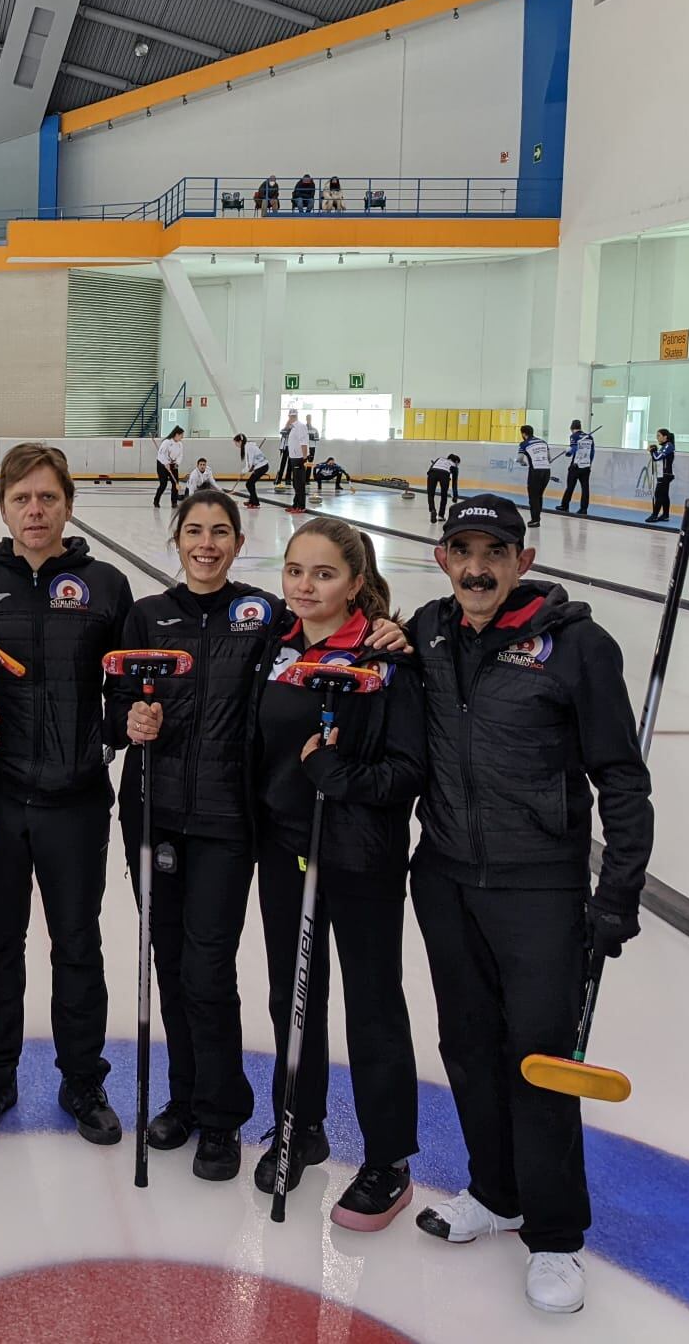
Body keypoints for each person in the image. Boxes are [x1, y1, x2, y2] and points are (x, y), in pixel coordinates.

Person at [104, 493, 408, 1179]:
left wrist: (388, 629)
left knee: (208, 971)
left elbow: (341, 636)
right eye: (193, 531)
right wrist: (130, 723)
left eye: (220, 532)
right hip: (154, 814)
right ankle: (184, 1098)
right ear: (175, 539)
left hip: (232, 822)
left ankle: (221, 1112)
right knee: (172, 966)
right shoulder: (147, 615)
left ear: (239, 543)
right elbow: (116, 703)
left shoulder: (266, 619)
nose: (205, 544)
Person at [407, 495, 654, 1315]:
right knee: (468, 1047)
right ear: (443, 557)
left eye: (495, 552)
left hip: (539, 885)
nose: (478, 567)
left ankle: (554, 1237)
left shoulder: (578, 647)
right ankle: (494, 1191)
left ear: (526, 559)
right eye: (463, 549)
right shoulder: (426, 633)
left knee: (540, 1060)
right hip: (443, 877)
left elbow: (621, 777)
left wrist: (617, 893)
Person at [0, 443, 134, 1143]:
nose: (35, 510)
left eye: (47, 497)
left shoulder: (107, 586)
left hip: (78, 800)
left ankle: (83, 1082)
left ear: (68, 505)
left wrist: (120, 726)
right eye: (22, 497)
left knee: (77, 945)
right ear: (2, 505)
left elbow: (127, 690)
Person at [246, 518, 421, 1226]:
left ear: (355, 582)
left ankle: (388, 1158)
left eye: (322, 574)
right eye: (294, 571)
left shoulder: (386, 659)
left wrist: (333, 773)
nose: (305, 586)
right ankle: (300, 1124)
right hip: (284, 849)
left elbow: (406, 772)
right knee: (293, 996)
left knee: (373, 1006)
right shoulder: (274, 644)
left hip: (360, 857)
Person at [517, 425, 553, 527]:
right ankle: (537, 518)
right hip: (546, 471)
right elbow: (549, 458)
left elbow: (519, 458)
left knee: (533, 496)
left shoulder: (524, 444)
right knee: (539, 495)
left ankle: (535, 520)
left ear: (524, 434)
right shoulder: (543, 442)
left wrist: (523, 463)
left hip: (535, 471)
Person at [560, 421, 595, 516]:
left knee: (570, 486)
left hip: (576, 465)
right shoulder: (589, 437)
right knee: (585, 488)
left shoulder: (574, 436)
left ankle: (564, 506)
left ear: (571, 428)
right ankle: (583, 509)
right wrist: (590, 463)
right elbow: (592, 452)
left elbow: (574, 449)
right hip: (586, 465)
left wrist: (568, 452)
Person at [646, 430, 676, 522]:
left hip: (665, 475)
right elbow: (657, 457)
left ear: (665, 437)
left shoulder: (668, 445)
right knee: (664, 495)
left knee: (658, 494)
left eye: (659, 435)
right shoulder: (664, 446)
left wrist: (653, 451)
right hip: (663, 475)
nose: (657, 437)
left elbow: (656, 457)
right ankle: (665, 515)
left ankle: (654, 515)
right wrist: (653, 451)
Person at [234, 433, 270, 508]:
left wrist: (243, 472)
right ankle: (252, 500)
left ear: (240, 441)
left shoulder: (248, 448)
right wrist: (249, 468)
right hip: (262, 466)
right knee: (250, 483)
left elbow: (249, 465)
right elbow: (251, 464)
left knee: (249, 484)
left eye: (236, 443)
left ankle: (255, 502)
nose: (235, 445)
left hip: (262, 467)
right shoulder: (249, 446)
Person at [154, 425, 186, 508]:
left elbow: (180, 455)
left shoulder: (180, 444)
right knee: (163, 484)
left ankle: (174, 502)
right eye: (181, 435)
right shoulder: (167, 442)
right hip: (162, 464)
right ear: (177, 434)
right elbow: (160, 454)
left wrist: (177, 464)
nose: (182, 437)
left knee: (175, 483)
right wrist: (165, 463)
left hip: (173, 465)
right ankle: (156, 501)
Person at [286, 418, 313, 513]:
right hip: (294, 458)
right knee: (295, 483)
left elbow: (304, 443)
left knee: (299, 484)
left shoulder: (300, 427)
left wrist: (304, 458)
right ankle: (295, 505)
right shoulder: (293, 428)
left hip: (299, 458)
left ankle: (301, 506)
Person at [425, 453, 462, 523]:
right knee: (444, 496)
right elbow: (454, 483)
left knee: (430, 494)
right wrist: (455, 496)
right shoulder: (454, 466)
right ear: (456, 461)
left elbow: (430, 468)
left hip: (432, 473)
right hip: (444, 475)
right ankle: (441, 516)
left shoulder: (439, 459)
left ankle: (432, 510)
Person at [276, 411, 299, 487]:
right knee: (282, 464)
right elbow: (282, 432)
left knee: (290, 464)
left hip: (292, 448)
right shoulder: (285, 428)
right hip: (285, 447)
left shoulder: (296, 428)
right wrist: (287, 429)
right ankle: (278, 479)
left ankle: (288, 479)